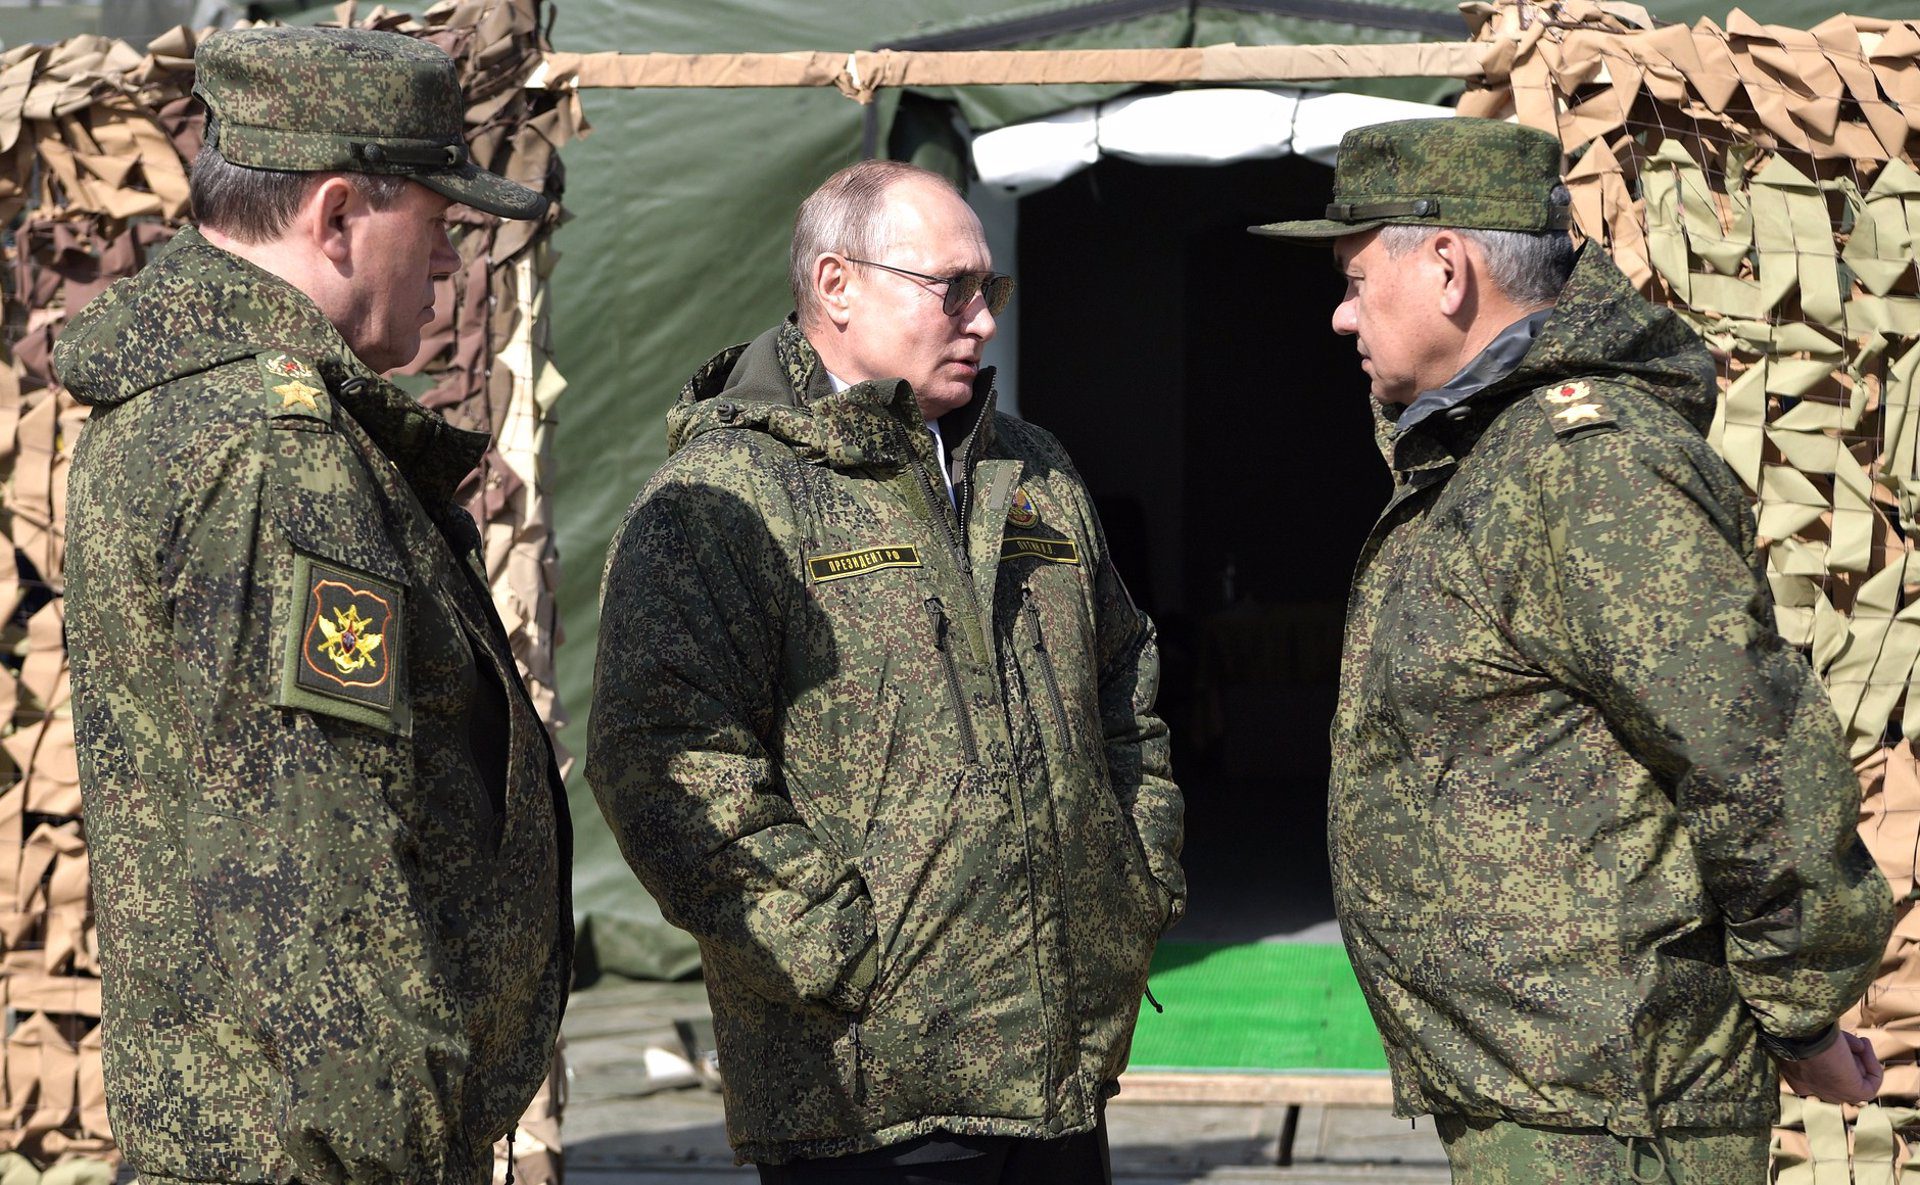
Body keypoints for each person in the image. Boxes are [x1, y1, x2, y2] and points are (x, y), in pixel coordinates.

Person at [1249, 116, 1893, 1182]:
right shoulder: (1492, 454)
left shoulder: (1590, 467)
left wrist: (1802, 1013)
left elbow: (1750, 754)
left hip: (1614, 1109)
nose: (1341, 313)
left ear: (1447, 268)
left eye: (1357, 281)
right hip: (1550, 1093)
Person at [586, 160, 1185, 1183]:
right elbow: (660, 759)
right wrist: (839, 954)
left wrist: (1134, 880)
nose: (982, 320)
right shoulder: (726, 499)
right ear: (837, 285)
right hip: (864, 1095)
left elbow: (1126, 684)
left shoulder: (1033, 470)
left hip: (1057, 1080)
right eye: (951, 288)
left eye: (990, 289)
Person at [54, 27, 572, 1185]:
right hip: (321, 1150)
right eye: (434, 226)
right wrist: (385, 1151)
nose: (447, 266)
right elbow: (320, 856)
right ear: (337, 216)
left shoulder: (178, 408)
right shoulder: (277, 453)